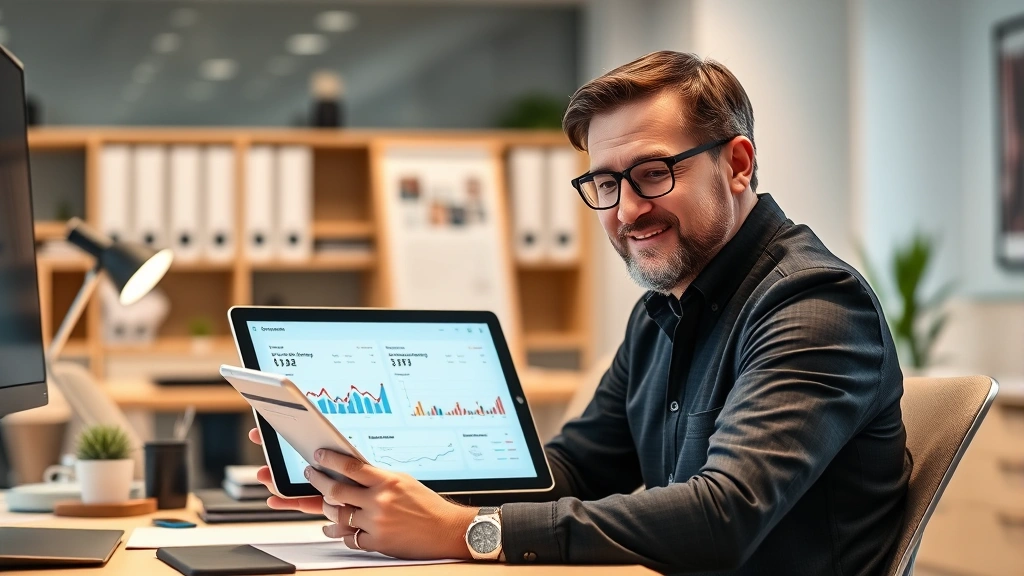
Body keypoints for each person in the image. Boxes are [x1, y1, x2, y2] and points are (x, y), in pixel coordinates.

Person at [248, 51, 910, 574]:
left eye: (653, 174)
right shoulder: (664, 312)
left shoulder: (813, 304)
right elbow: (573, 470)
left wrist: (461, 530)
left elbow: (723, 515)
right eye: (606, 183)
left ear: (737, 164)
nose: (625, 212)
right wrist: (389, 486)